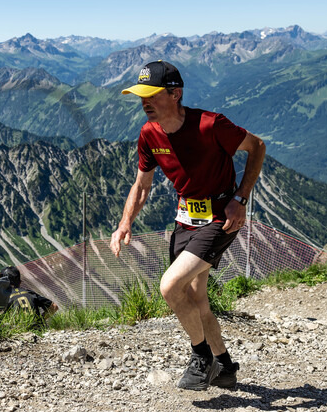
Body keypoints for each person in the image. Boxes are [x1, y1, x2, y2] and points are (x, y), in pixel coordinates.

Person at [110, 60, 266, 391]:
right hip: (185, 219)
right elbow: (141, 186)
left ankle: (201, 357)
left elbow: (257, 147)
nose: (144, 102)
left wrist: (240, 198)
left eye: (151, 95)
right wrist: (125, 224)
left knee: (170, 287)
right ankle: (224, 364)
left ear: (175, 93)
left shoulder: (211, 125)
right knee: (198, 300)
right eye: (140, 96)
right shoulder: (149, 134)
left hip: (220, 217)